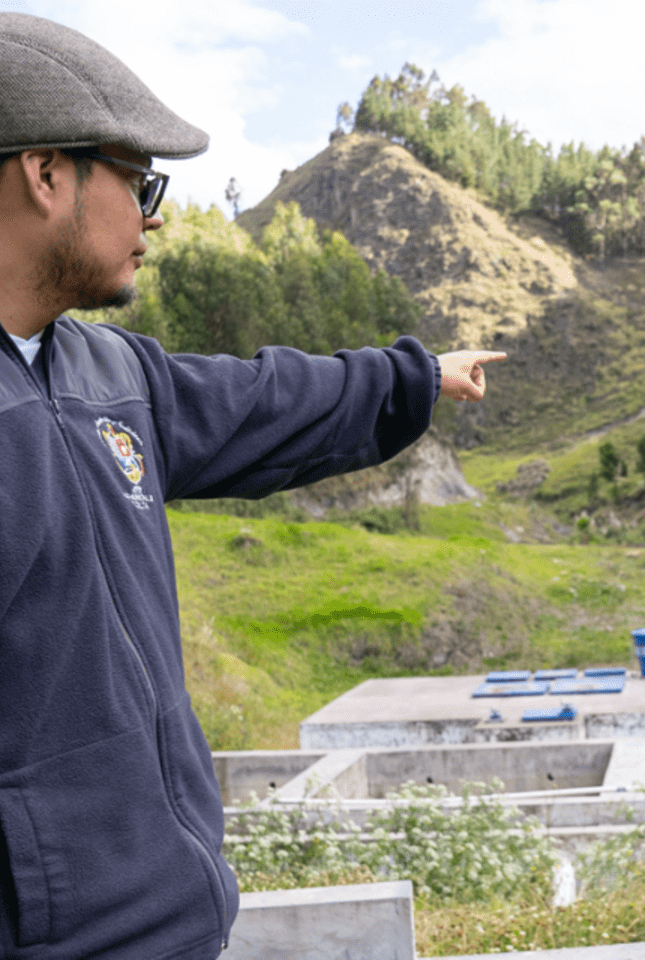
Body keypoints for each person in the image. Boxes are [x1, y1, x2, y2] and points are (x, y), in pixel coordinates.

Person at [0, 13, 504, 959]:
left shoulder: (107, 373)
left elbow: (262, 401)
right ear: (45, 173)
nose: (156, 214)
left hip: (180, 925)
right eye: (140, 178)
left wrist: (415, 378)